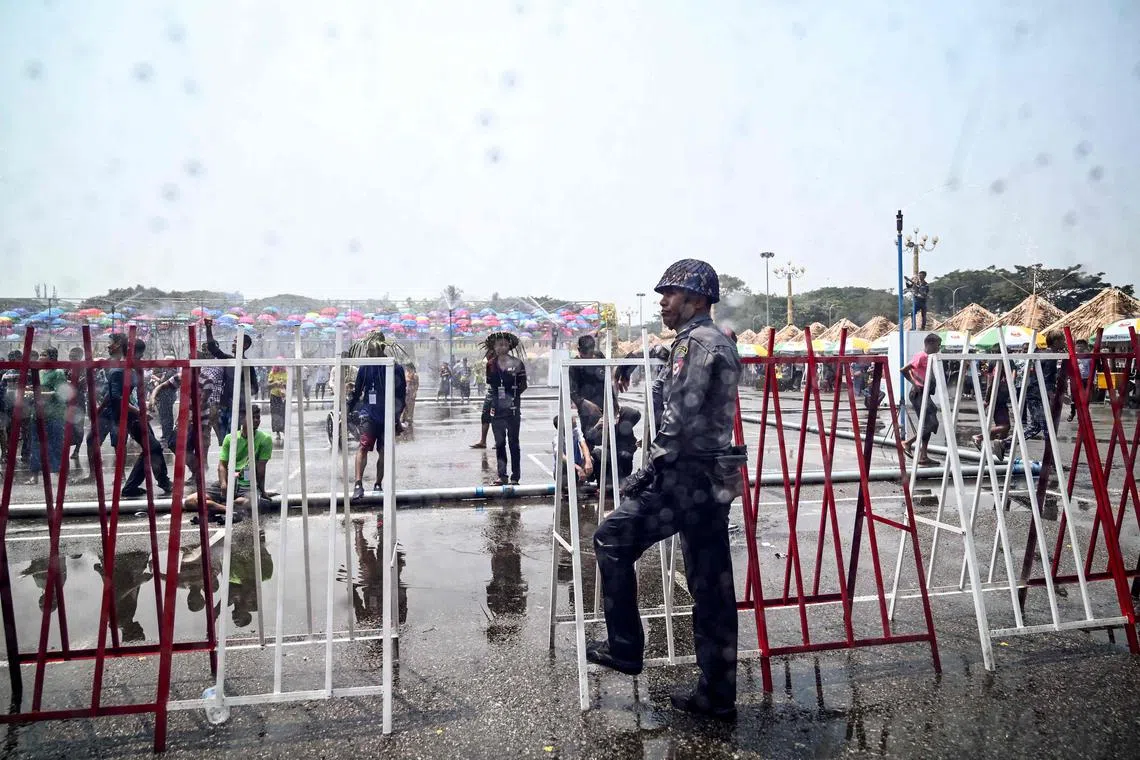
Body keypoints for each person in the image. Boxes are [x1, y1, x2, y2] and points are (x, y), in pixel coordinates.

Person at [588, 259, 743, 720]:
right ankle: (717, 694)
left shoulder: (694, 344)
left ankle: (625, 648)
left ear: (697, 299)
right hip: (713, 475)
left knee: (611, 540)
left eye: (671, 294)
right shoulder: (719, 342)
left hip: (685, 475)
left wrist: (648, 471)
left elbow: (682, 417)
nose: (662, 302)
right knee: (710, 584)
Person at [91, 335, 172, 498]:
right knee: (153, 447)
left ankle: (141, 484)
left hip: (136, 414)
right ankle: (156, 482)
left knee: (151, 447)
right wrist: (139, 412)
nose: (140, 359)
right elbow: (117, 398)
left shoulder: (128, 368)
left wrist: (100, 409)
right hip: (129, 417)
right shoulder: (119, 371)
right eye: (138, 355)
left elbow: (111, 393)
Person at [184, 404, 273, 524]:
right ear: (242, 419)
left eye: (258, 417)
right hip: (229, 480)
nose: (256, 420)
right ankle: (228, 509)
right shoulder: (230, 438)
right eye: (253, 417)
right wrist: (223, 484)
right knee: (190, 501)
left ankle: (219, 506)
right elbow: (222, 465)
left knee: (252, 502)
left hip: (247, 483)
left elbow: (261, 469)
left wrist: (262, 490)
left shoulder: (265, 439)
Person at [347, 334, 407, 499]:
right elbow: (358, 391)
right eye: (368, 349)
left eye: (373, 349)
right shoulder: (365, 367)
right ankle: (358, 484)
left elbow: (401, 395)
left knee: (383, 451)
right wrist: (348, 408)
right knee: (363, 447)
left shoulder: (395, 368)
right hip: (369, 414)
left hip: (387, 416)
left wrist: (396, 417)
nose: (369, 352)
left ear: (381, 348)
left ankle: (378, 483)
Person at [485, 331, 527, 485]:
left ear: (509, 346)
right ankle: (502, 475)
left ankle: (515, 477)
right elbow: (492, 385)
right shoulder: (490, 364)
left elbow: (524, 385)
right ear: (494, 347)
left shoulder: (517, 363)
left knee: (514, 443)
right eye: (498, 345)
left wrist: (512, 399)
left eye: (504, 344)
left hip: (513, 409)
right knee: (500, 443)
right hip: (497, 409)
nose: (501, 347)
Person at [204, 319, 259, 435]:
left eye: (236, 341)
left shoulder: (247, 365)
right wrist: (208, 328)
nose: (233, 343)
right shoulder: (228, 360)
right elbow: (213, 348)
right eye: (233, 341)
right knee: (225, 442)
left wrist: (240, 395)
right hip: (223, 408)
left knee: (235, 439)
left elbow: (255, 388)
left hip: (239, 410)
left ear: (245, 345)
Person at [26, 348, 68, 485]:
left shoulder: (58, 373)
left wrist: (38, 394)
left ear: (52, 358)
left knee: (55, 444)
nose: (40, 357)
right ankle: (34, 475)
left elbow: (59, 393)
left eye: (43, 355)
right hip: (37, 413)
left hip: (54, 414)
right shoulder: (39, 372)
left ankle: (58, 474)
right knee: (35, 445)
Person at [901, 333, 943, 467]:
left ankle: (923, 456)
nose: (939, 348)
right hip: (918, 394)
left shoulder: (929, 357)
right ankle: (908, 443)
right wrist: (914, 383)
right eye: (938, 345)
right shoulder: (921, 356)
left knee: (928, 423)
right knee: (931, 423)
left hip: (924, 394)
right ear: (930, 344)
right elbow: (904, 370)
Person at [569, 334, 609, 431]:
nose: (589, 357)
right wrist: (585, 403)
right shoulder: (574, 365)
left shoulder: (599, 357)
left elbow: (607, 375)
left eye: (591, 354)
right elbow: (572, 391)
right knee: (589, 435)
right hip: (586, 407)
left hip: (603, 401)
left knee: (609, 433)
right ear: (579, 350)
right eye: (585, 354)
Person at [148, 357, 180, 451]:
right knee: (164, 416)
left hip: (167, 397)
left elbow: (163, 383)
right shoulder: (167, 371)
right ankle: (165, 434)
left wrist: (156, 379)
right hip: (164, 397)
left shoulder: (171, 372)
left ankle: (167, 435)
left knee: (166, 416)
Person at [470, 346, 496, 449]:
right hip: (490, 392)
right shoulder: (490, 364)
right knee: (485, 416)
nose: (488, 357)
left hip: (499, 394)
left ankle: (498, 441)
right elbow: (489, 380)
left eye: (489, 355)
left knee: (496, 418)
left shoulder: (502, 364)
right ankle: (483, 441)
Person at [67, 347, 87, 462]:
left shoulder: (83, 368)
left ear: (80, 357)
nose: (71, 358)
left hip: (79, 400)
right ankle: (68, 447)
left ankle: (77, 450)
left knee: (78, 426)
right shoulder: (66, 367)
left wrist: (70, 383)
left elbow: (81, 383)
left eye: (74, 356)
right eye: (71, 355)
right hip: (67, 401)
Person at [1068, 339, 1092, 422]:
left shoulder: (1089, 357)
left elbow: (1092, 369)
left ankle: (1082, 415)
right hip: (1075, 380)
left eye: (1081, 346)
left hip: (1085, 379)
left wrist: (1093, 380)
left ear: (1085, 347)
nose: (1079, 347)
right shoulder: (1073, 356)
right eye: (1078, 346)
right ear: (1075, 347)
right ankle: (1072, 412)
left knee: (1085, 398)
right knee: (1074, 398)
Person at [267, 361, 288, 443]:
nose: (280, 366)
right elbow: (268, 385)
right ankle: (277, 432)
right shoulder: (273, 372)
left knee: (283, 414)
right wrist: (275, 383)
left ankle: (284, 431)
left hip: (283, 396)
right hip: (274, 396)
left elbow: (290, 383)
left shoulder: (286, 373)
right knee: (275, 414)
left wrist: (284, 384)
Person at [401, 363, 419, 428]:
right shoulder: (406, 374)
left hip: (411, 392)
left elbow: (416, 384)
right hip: (406, 392)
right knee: (405, 406)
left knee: (410, 406)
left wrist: (414, 392)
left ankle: (409, 419)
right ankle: (404, 418)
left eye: (407, 367)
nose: (406, 368)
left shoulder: (415, 375)